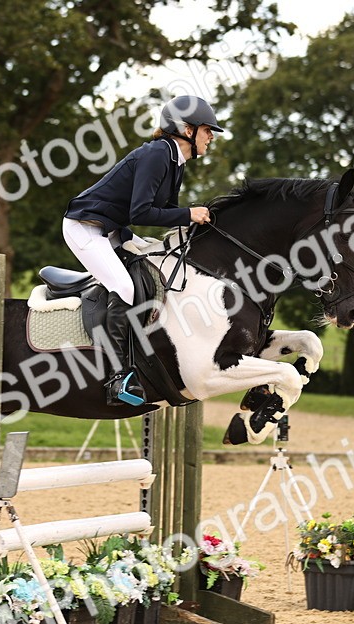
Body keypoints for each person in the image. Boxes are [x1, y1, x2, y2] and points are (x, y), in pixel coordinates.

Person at [63, 95, 222, 406]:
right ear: (187, 130)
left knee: (154, 261)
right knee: (122, 286)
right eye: (207, 130)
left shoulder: (175, 161)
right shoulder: (157, 155)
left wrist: (198, 224)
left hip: (112, 230)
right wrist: (189, 213)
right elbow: (142, 213)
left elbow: (168, 212)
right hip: (85, 228)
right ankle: (117, 377)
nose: (211, 137)